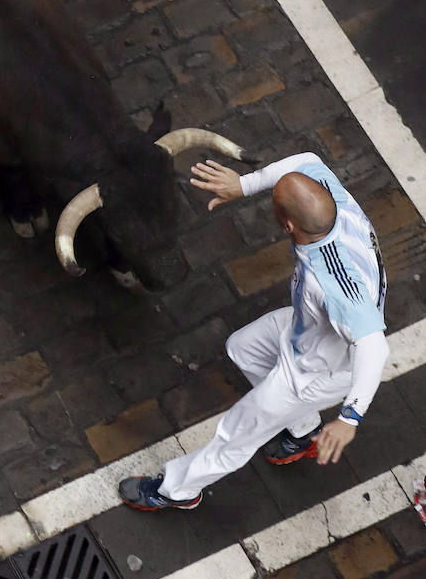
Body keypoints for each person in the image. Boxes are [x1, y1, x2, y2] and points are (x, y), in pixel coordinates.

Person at [119, 152, 390, 510]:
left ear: (288, 227)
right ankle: (302, 429)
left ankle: (176, 491)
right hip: (305, 333)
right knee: (242, 348)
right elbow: (305, 159)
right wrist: (242, 185)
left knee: (237, 433)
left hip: (316, 372)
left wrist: (348, 418)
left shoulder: (336, 286)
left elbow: (374, 347)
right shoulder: (332, 199)